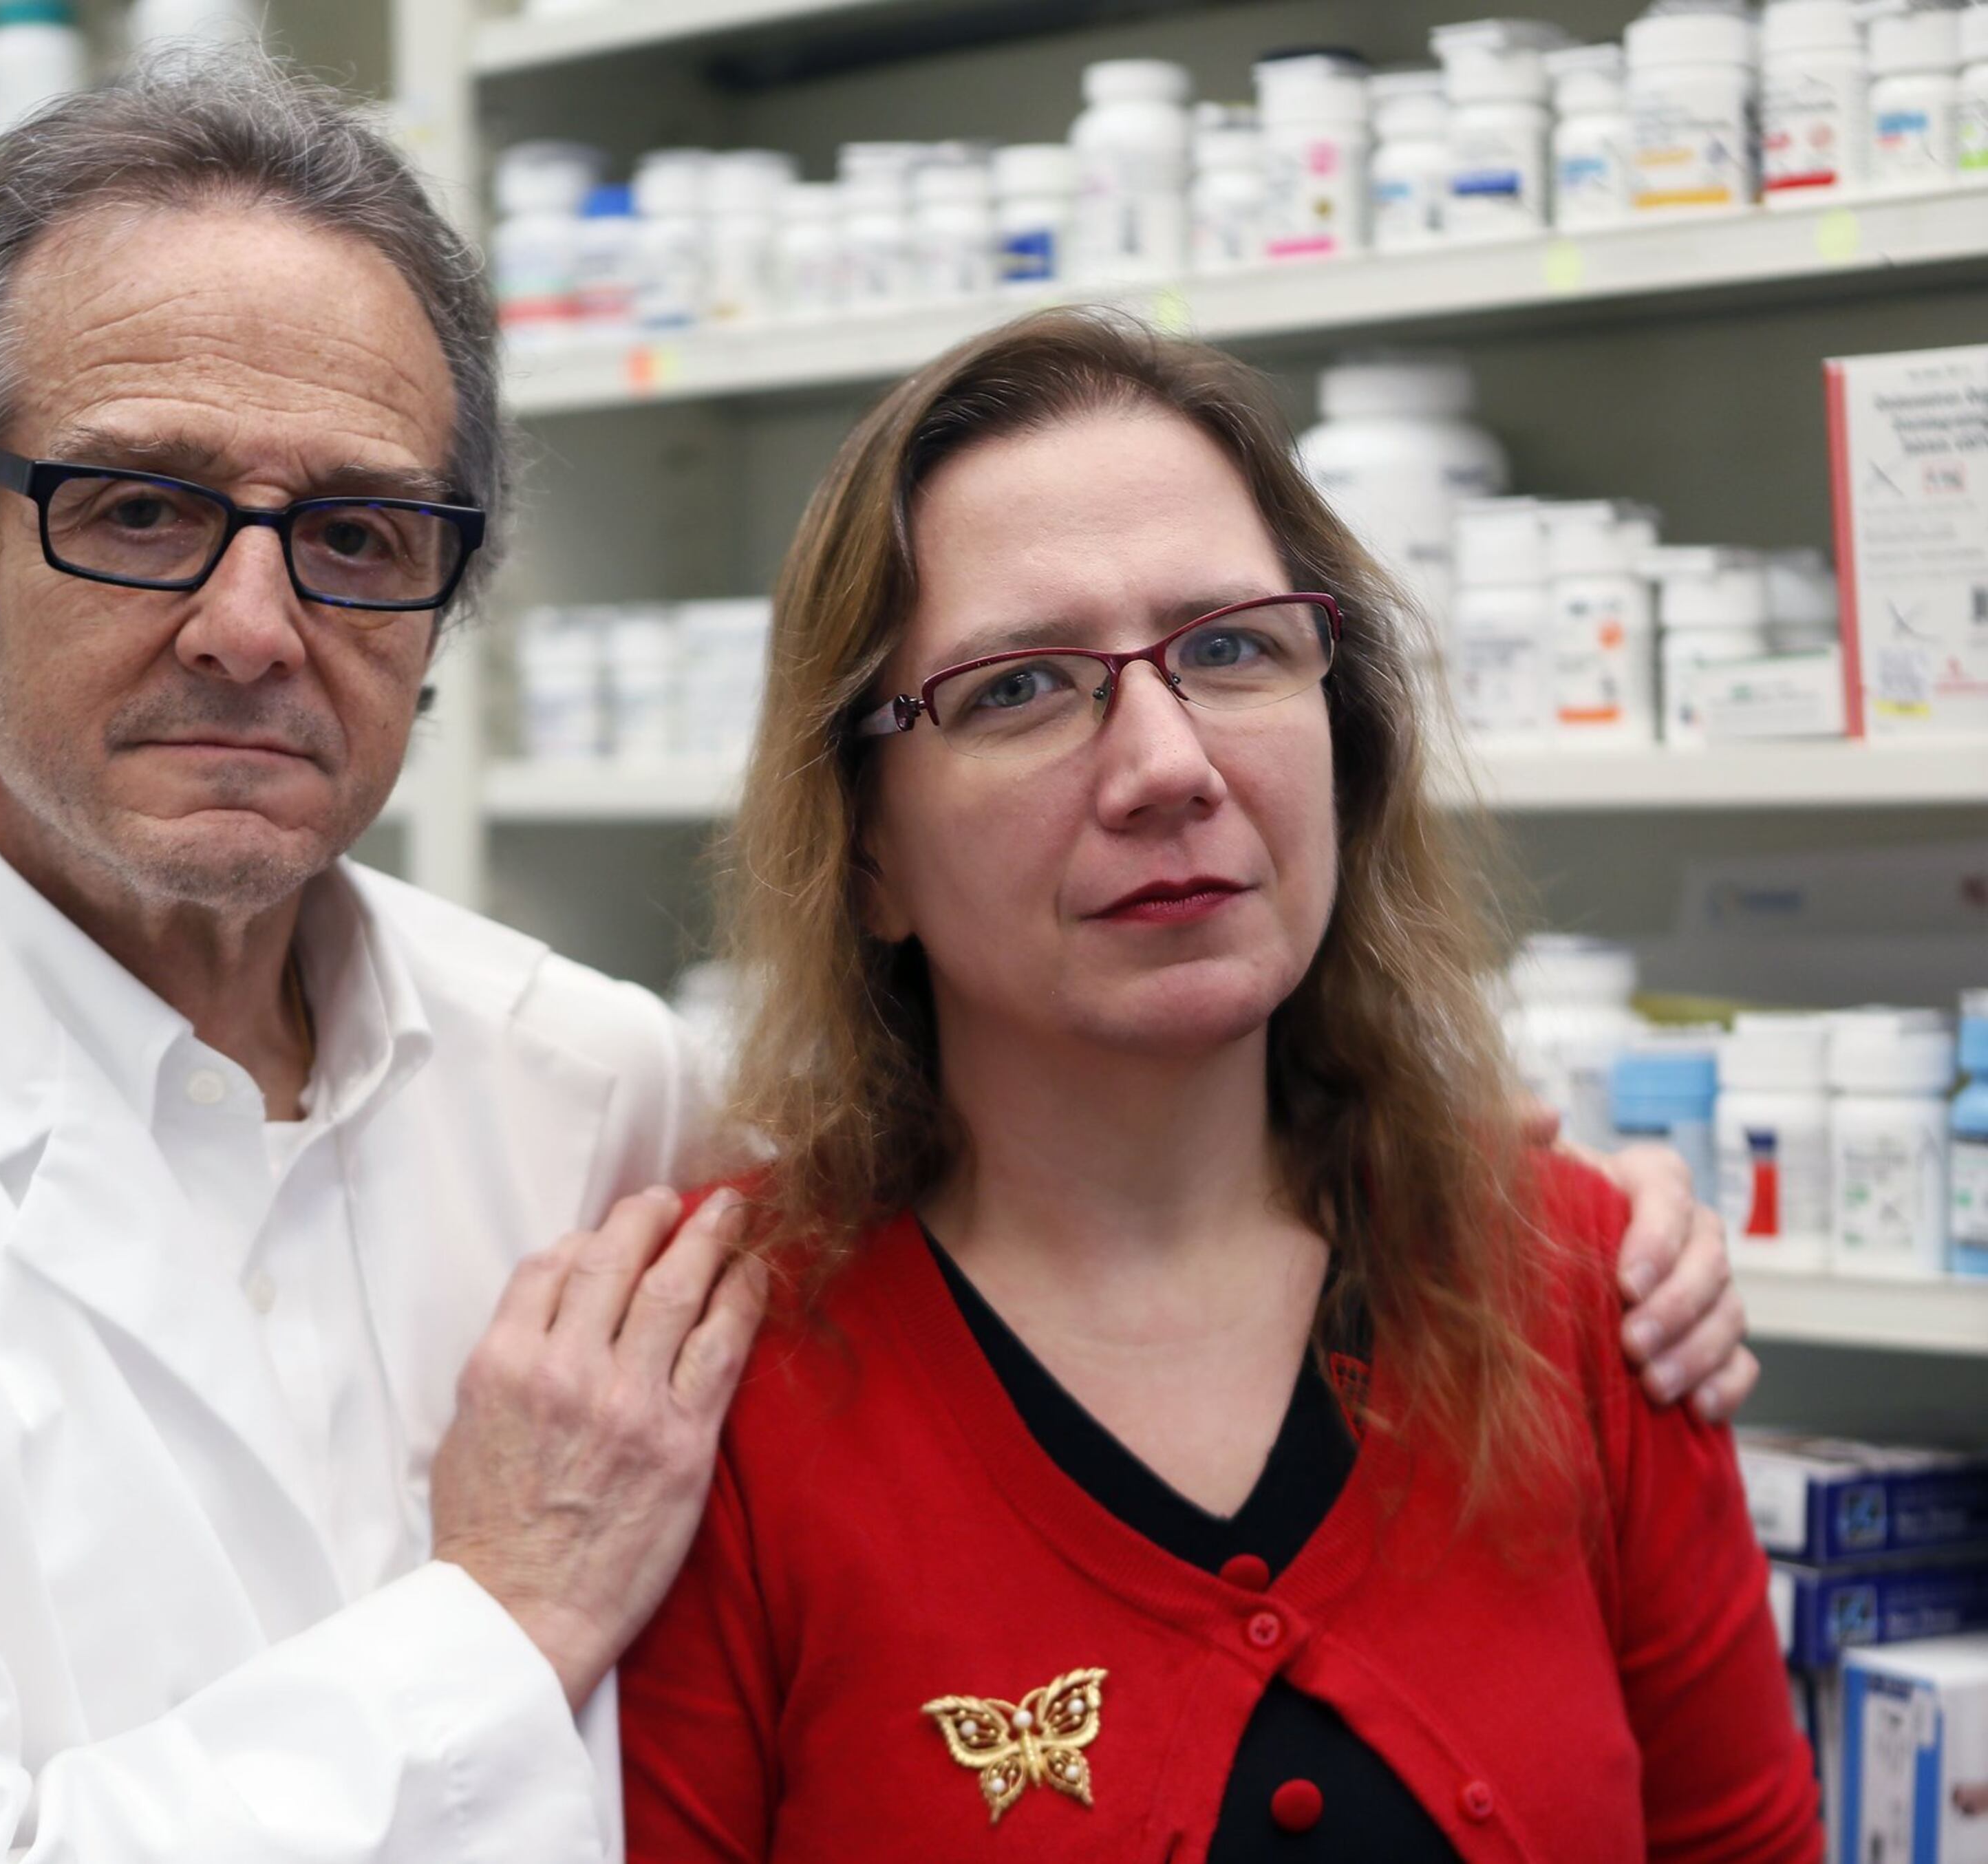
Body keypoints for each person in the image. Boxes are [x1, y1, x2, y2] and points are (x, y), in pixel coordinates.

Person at [0, 54, 1748, 1864]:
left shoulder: (584, 1086)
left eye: (362, 531)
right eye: (133, 507)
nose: (251, 622)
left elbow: (1090, 1170)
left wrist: (1547, 1211)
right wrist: (491, 1628)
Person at [619, 309, 1819, 1862]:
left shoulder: (1586, 1285)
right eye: (1023, 687)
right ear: (864, 852)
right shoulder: (718, 1372)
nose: (1168, 762)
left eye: (1233, 648)